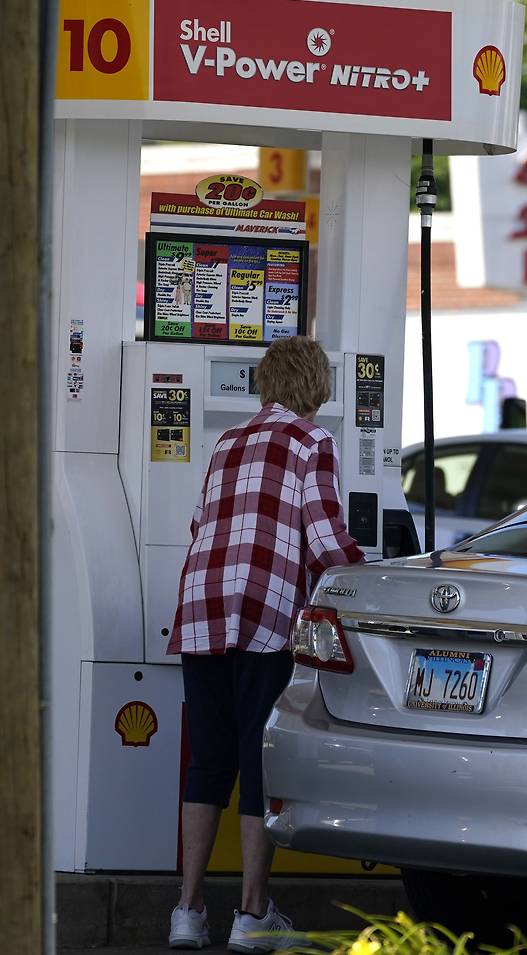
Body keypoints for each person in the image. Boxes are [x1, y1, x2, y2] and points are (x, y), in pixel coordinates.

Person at [167, 336, 364, 951]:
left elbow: (202, 524)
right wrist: (371, 581)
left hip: (201, 611)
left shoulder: (225, 442)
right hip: (264, 612)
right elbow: (325, 537)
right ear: (316, 385)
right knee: (258, 762)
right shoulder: (313, 442)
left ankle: (187, 910)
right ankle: (251, 915)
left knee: (207, 762)